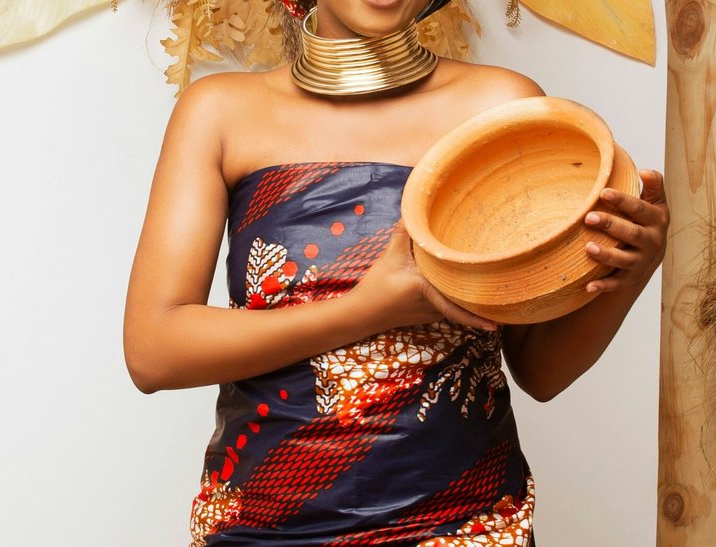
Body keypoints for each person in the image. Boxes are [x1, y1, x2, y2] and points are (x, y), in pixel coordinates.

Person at [123, 0, 668, 543]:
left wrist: (632, 271)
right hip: (263, 525)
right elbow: (153, 351)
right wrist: (367, 311)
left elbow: (539, 372)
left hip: (462, 523)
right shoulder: (219, 112)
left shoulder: (501, 104)